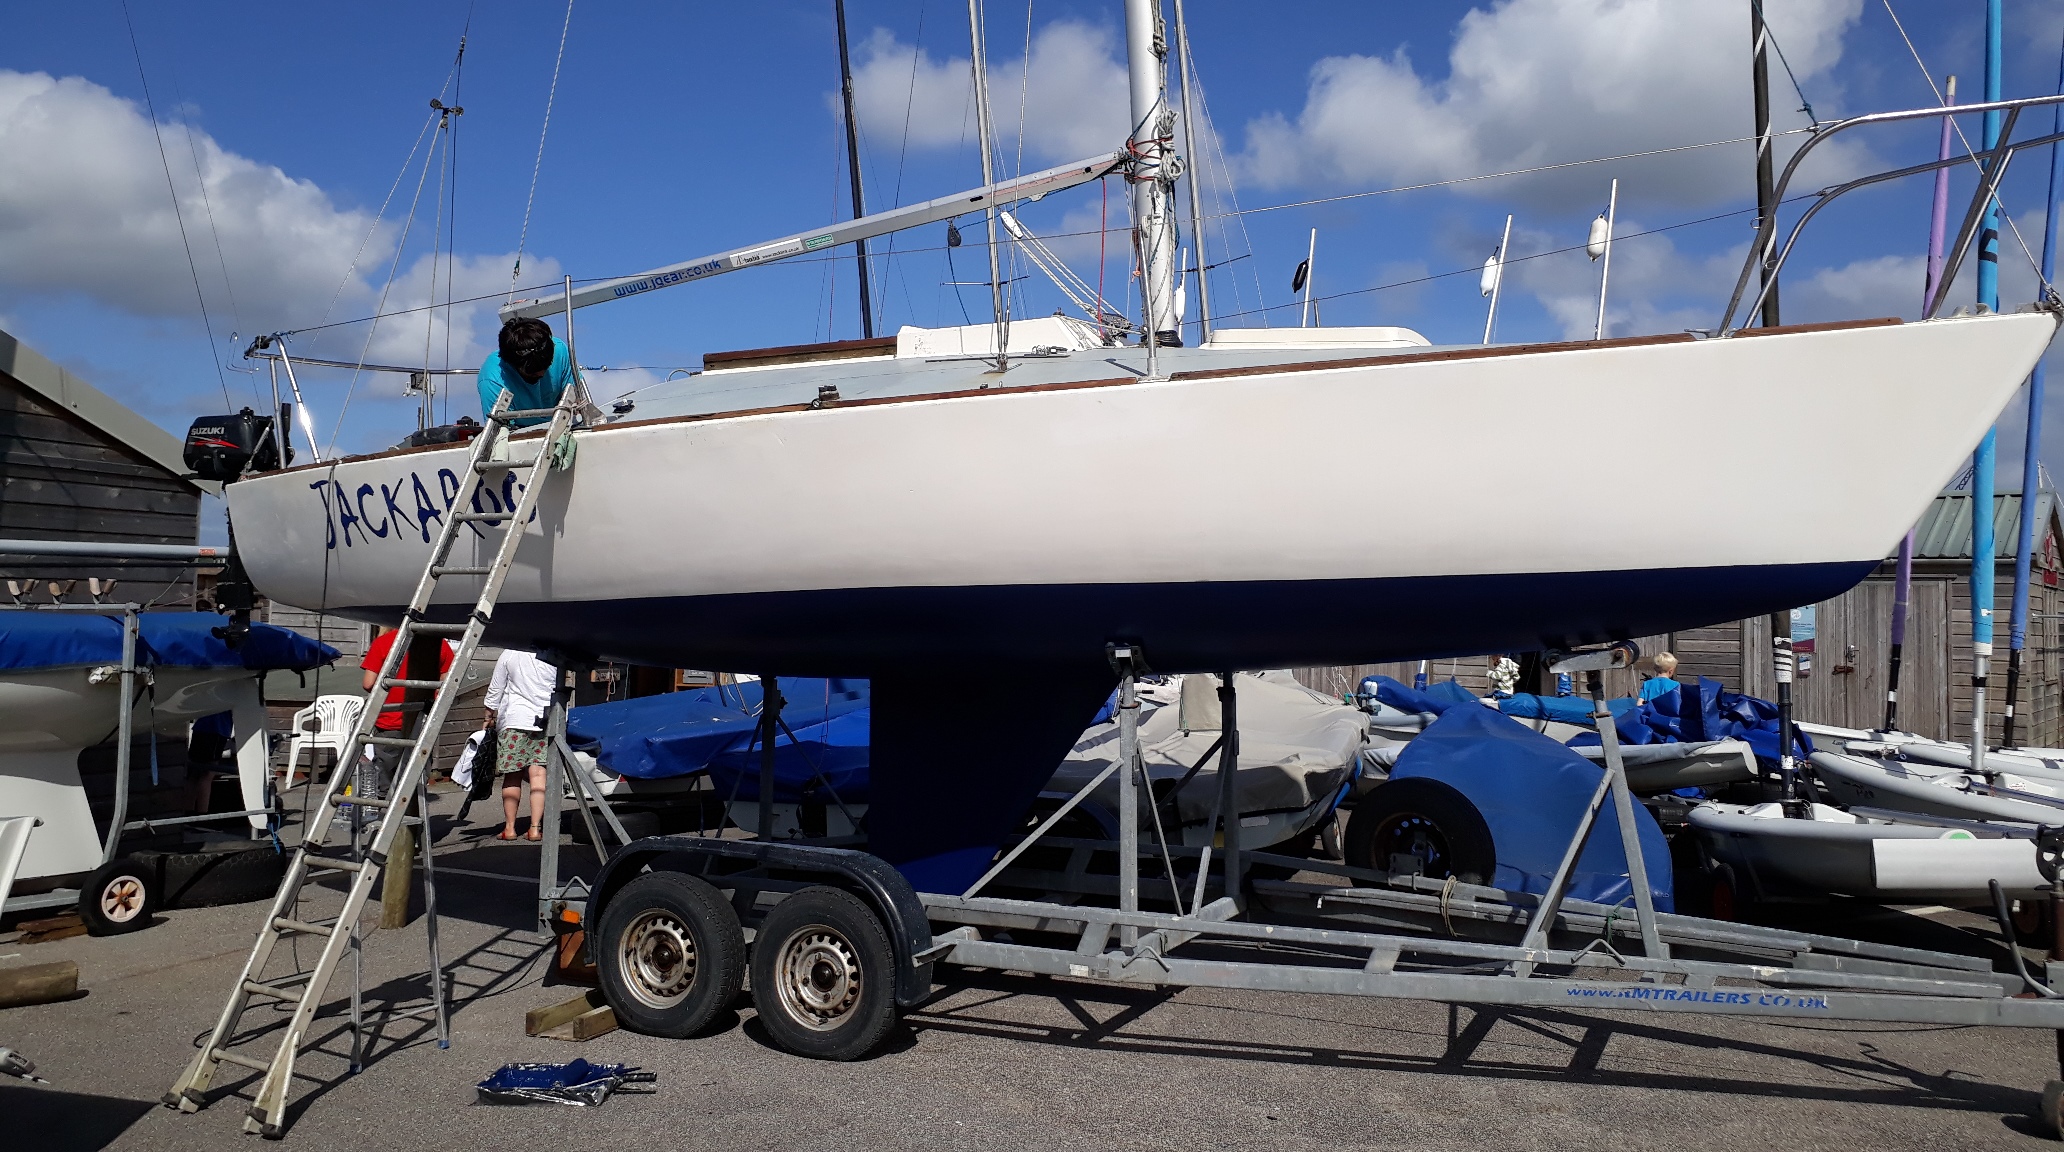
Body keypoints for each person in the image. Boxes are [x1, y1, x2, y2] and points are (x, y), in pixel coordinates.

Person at [358, 626, 456, 800]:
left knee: (387, 772)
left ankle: (386, 816)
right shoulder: (437, 643)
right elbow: (447, 680)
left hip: (390, 717)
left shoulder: (383, 642)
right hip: (422, 718)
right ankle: (413, 818)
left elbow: (368, 683)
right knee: (415, 772)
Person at [485, 647, 559, 842]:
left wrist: (488, 714)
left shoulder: (510, 653)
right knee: (538, 775)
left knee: (512, 776)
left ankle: (510, 828)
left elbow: (496, 687)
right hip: (544, 720)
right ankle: (534, 828)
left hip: (514, 721)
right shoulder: (551, 654)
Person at [477, 317, 575, 428]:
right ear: (511, 364)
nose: (541, 374)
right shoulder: (492, 380)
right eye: (532, 373)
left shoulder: (560, 351)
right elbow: (502, 433)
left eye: (547, 366)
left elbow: (577, 398)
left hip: (563, 424)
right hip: (520, 433)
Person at [186, 711, 233, 815]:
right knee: (207, 773)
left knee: (194, 772)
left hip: (201, 726)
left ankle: (188, 811)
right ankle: (202, 814)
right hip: (217, 729)